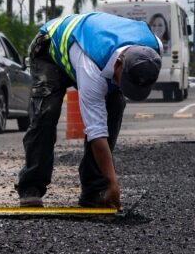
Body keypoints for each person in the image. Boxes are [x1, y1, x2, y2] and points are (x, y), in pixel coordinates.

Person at [16, 12, 162, 210]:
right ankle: (31, 185)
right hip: (50, 48)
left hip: (88, 50)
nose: (123, 86)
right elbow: (96, 132)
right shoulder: (91, 66)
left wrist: (108, 184)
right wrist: (113, 182)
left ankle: (93, 191)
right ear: (119, 63)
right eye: (124, 81)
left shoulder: (153, 50)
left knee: (115, 106)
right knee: (46, 112)